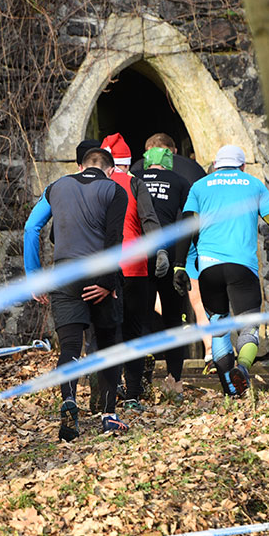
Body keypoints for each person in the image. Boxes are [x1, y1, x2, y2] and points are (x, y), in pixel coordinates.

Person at [24, 148, 129, 440]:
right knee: (108, 344)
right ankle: (109, 415)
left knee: (70, 346)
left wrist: (35, 277)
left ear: (81, 167)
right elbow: (114, 237)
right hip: (99, 272)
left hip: (64, 273)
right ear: (111, 171)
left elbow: (31, 228)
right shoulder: (115, 190)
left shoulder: (56, 187)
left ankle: (69, 400)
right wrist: (108, 282)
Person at [176, 145, 269, 397]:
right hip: (242, 267)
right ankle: (243, 368)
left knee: (219, 328)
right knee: (249, 327)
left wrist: (179, 265)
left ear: (215, 165)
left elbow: (186, 225)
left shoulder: (200, 186)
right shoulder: (254, 184)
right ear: (243, 166)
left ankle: (232, 391)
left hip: (209, 268)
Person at [100, 133, 167, 411]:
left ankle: (110, 387)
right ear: (127, 163)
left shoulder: (95, 185)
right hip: (135, 268)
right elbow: (149, 219)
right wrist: (160, 251)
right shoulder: (135, 184)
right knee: (134, 331)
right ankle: (133, 395)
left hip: (104, 269)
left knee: (108, 330)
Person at [132, 133, 212, 363]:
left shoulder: (136, 172)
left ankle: (146, 352)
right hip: (185, 242)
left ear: (147, 153)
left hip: (146, 245)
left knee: (144, 301)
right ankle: (209, 351)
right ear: (173, 151)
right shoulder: (192, 169)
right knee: (198, 300)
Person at [136, 145, 192, 398]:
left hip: (140, 254)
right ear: (169, 162)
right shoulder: (179, 181)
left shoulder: (134, 179)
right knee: (173, 318)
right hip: (169, 253)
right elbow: (189, 219)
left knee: (140, 317)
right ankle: (174, 380)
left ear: (146, 162)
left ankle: (139, 379)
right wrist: (182, 260)